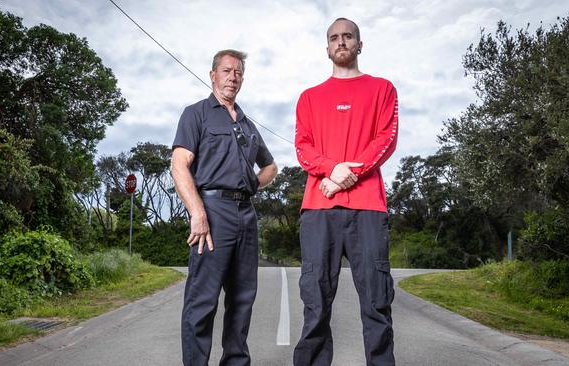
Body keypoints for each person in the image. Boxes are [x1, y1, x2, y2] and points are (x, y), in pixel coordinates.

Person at [293, 18, 399, 366]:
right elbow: (303, 147)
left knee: (376, 304)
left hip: (368, 210)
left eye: (348, 36)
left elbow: (386, 140)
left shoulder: (383, 89)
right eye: (334, 38)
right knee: (316, 304)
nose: (341, 42)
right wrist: (331, 169)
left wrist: (339, 178)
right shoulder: (309, 98)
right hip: (318, 212)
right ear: (327, 48)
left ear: (359, 44)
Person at [171, 49, 278, 366]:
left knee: (243, 298)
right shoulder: (197, 113)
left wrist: (253, 184)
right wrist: (198, 212)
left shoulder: (247, 124)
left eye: (239, 72)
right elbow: (179, 166)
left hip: (247, 215)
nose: (234, 77)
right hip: (213, 211)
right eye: (227, 70)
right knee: (202, 300)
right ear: (213, 75)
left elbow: (271, 167)